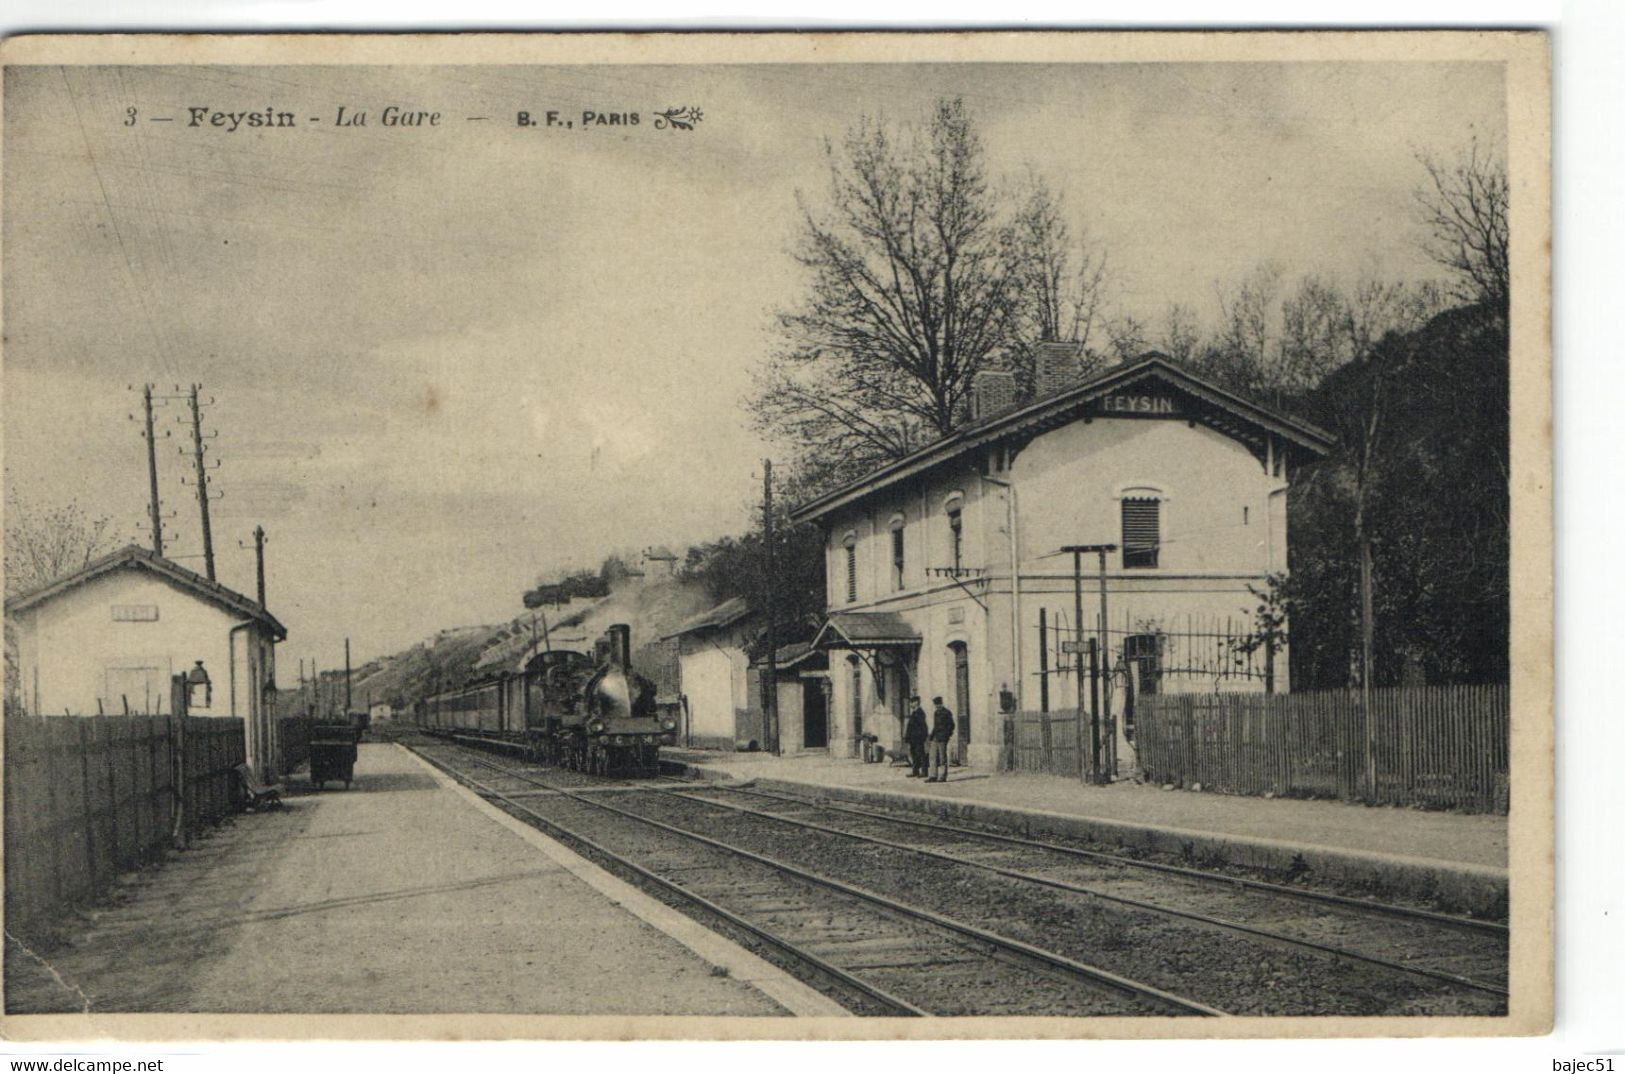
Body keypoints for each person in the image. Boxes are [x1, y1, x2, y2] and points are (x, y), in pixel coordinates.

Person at [928, 696, 956, 782]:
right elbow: (935, 726)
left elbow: (952, 725)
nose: (937, 706)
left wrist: (947, 735)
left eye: (938, 704)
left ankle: (942, 776)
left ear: (941, 703)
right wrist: (931, 736)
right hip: (935, 737)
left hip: (942, 738)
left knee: (942, 757)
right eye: (936, 704)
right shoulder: (936, 713)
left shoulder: (947, 713)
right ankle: (933, 776)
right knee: (933, 756)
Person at [903, 696, 929, 777]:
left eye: (912, 702)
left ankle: (924, 772)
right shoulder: (914, 712)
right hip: (913, 739)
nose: (910, 704)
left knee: (921, 755)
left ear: (916, 702)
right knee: (914, 755)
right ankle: (915, 771)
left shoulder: (920, 713)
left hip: (918, 739)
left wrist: (921, 737)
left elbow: (923, 727)